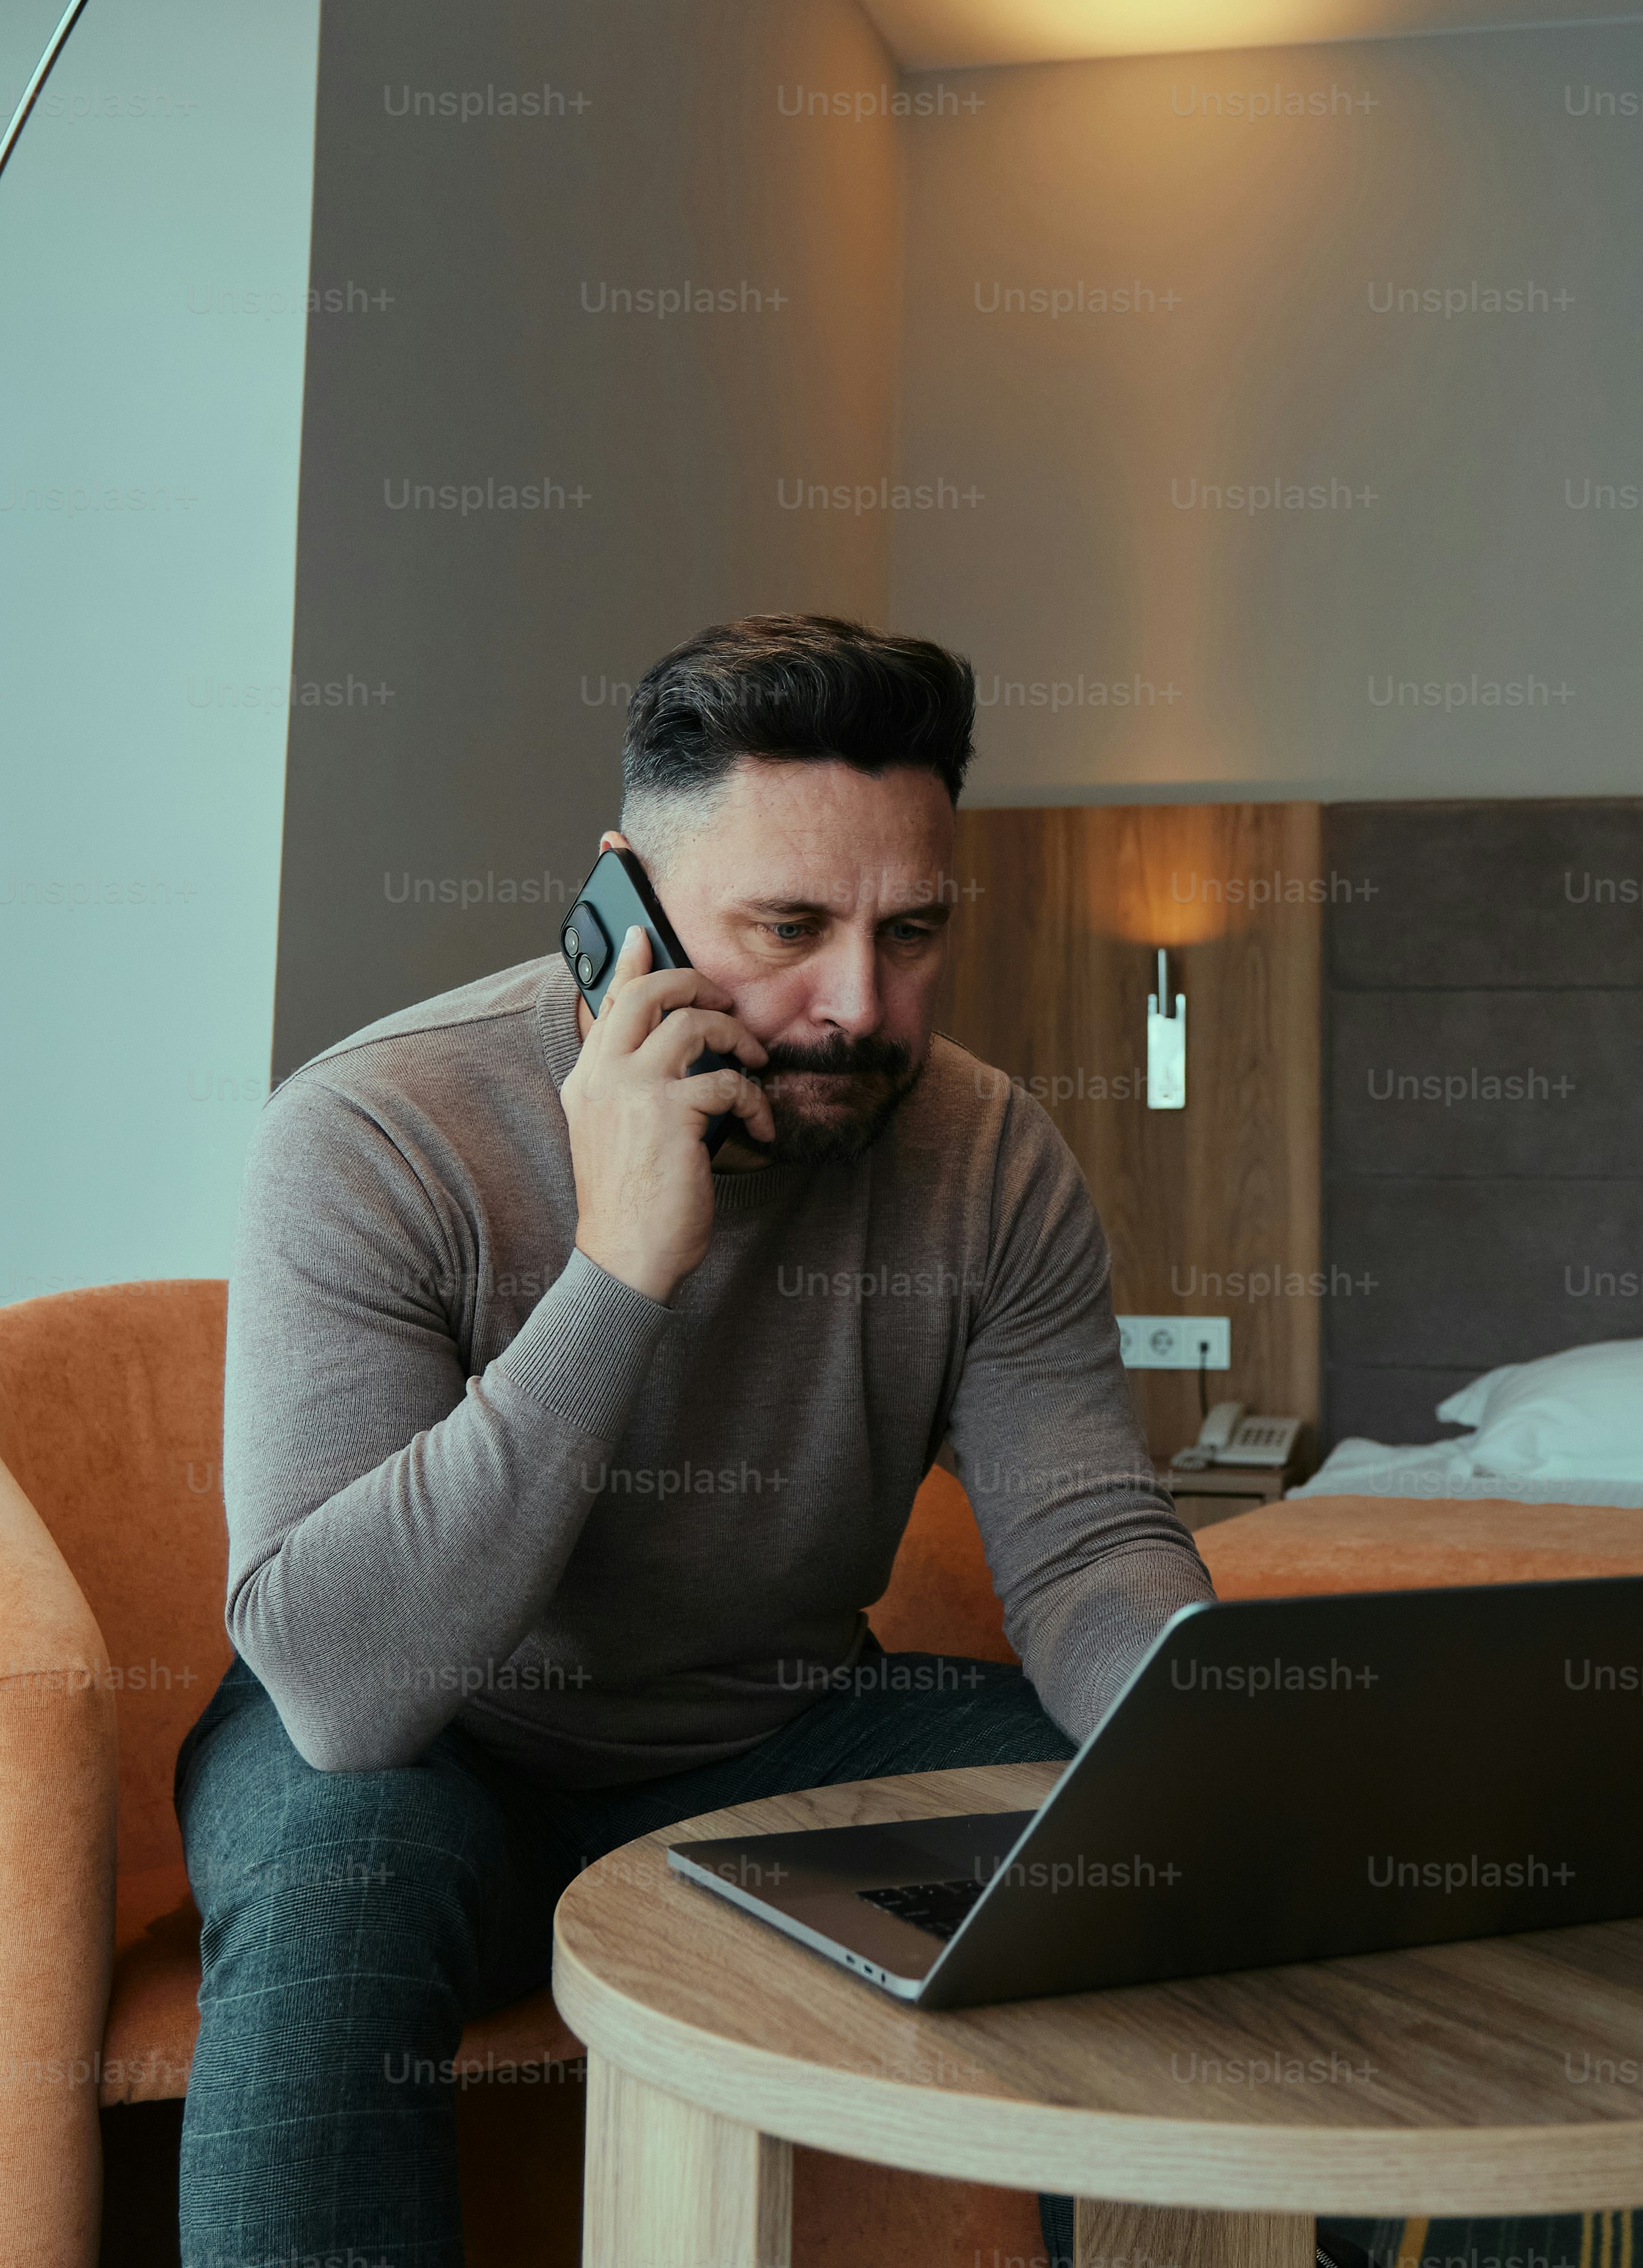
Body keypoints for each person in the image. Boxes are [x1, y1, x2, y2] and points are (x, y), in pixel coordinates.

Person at [174, 612, 1213, 2268]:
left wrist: (1217, 1738)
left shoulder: (986, 1154)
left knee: (1154, 1831)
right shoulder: (375, 1127)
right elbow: (348, 1690)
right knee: (342, 1874)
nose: (858, 1004)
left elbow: (1088, 1550)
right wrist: (619, 1271)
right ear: (626, 906)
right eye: (788, 927)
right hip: (430, 1748)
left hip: (771, 1734)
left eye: (912, 931)